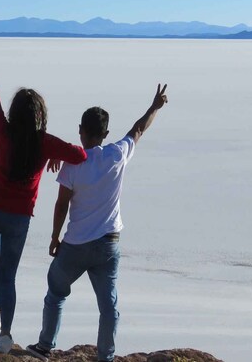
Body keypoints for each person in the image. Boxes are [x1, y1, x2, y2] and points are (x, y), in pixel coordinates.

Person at [0, 43, 88, 353]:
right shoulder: (45, 143)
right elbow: (80, 154)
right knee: (8, 276)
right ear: (41, 116)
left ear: (15, 114)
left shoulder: (3, 130)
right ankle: (6, 336)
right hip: (17, 218)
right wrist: (57, 156)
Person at [27, 84, 169, 362]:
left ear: (81, 130)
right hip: (108, 244)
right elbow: (138, 129)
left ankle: (45, 346)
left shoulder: (73, 164)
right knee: (108, 305)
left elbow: (61, 204)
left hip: (76, 244)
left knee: (56, 291)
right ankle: (106, 357)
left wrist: (55, 237)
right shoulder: (116, 154)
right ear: (105, 134)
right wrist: (154, 107)